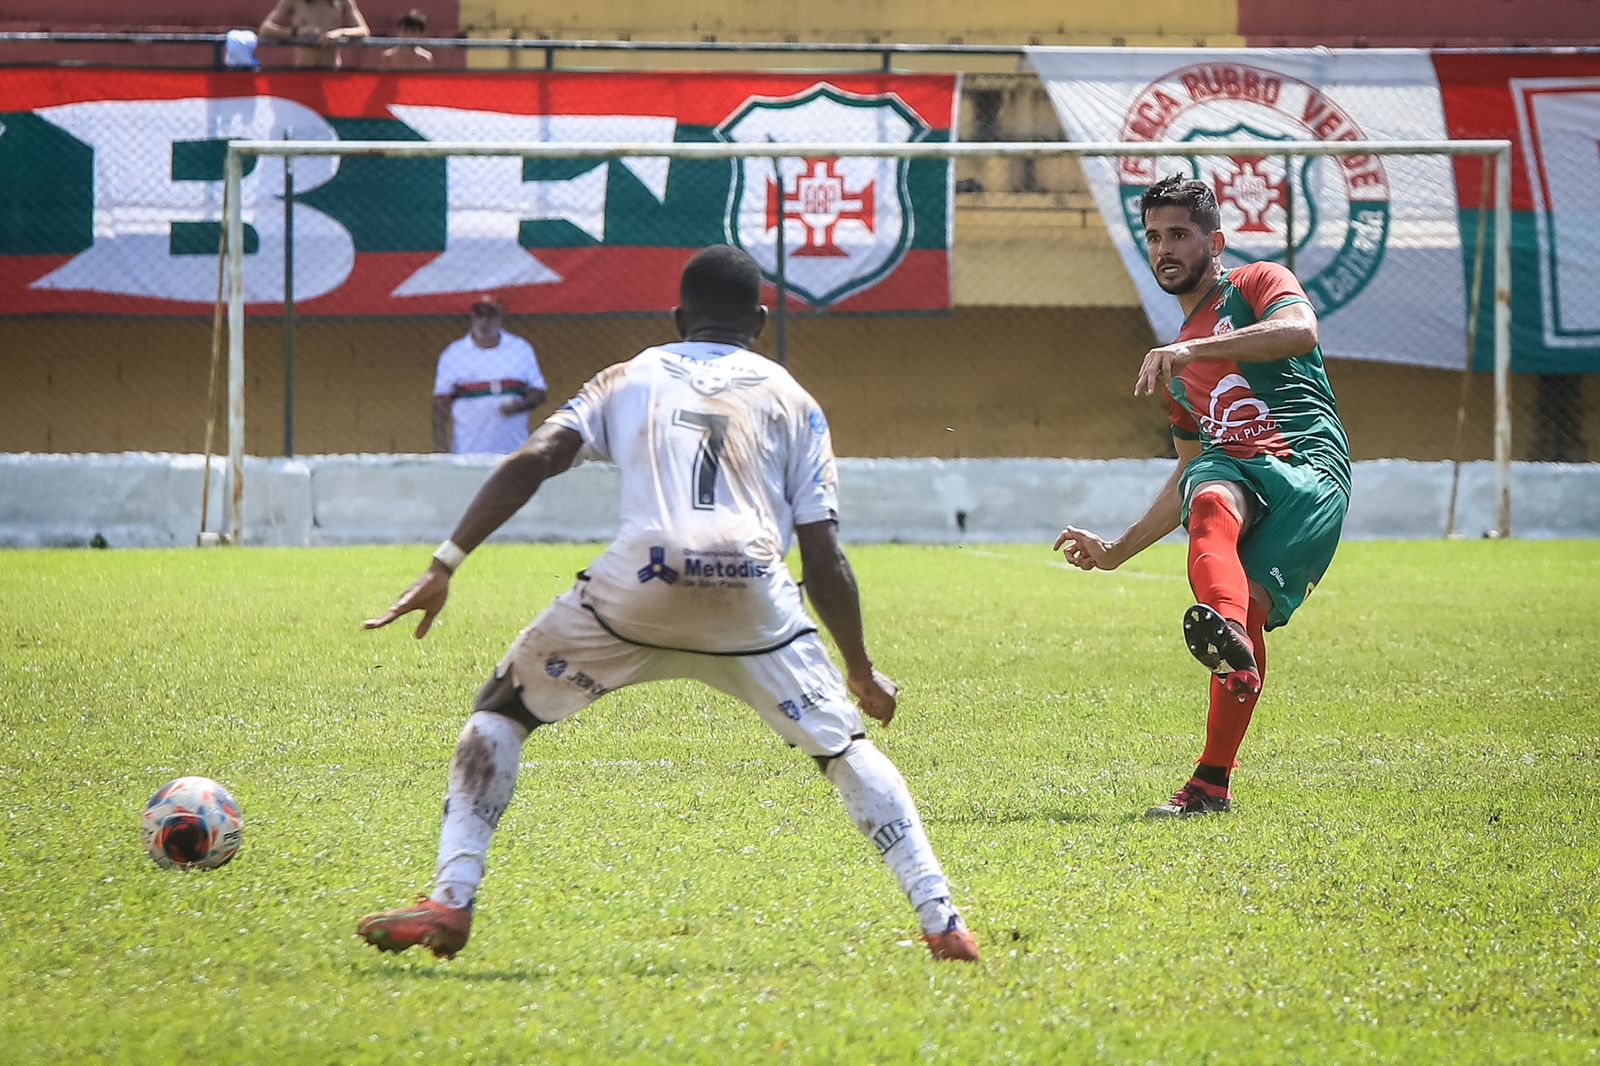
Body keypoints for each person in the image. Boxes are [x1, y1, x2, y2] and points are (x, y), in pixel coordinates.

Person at [356, 245, 979, 963]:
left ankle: (452, 898)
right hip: (752, 596)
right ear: (762, 320)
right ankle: (942, 919)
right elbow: (823, 554)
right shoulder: (793, 399)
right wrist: (861, 670)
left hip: (639, 585)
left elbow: (536, 457)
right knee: (843, 749)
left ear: (678, 317)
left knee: (501, 709)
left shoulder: (629, 375)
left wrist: (446, 563)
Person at [1053, 175, 1350, 818]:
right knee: (1208, 495)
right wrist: (1116, 550)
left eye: (1179, 235)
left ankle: (1232, 655)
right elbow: (1185, 477)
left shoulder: (1255, 283)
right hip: (1232, 472)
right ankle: (1211, 781)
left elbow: (1301, 331)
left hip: (1310, 474)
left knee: (1232, 554)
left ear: (1214, 241)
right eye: (1154, 236)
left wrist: (1192, 348)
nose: (1164, 248)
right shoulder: (1176, 365)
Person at [432, 295, 547, 455]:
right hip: (468, 452)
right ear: (472, 317)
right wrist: (440, 447)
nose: (485, 321)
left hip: (514, 451)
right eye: (480, 314)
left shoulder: (520, 349)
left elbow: (539, 393)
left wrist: (519, 406)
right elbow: (440, 403)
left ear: (500, 316)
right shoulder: (454, 354)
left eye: (490, 315)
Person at [258, 0, 370, 69]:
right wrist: (296, 32)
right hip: (304, 71)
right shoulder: (294, 1)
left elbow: (363, 30)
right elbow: (265, 28)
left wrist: (340, 33)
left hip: (331, 69)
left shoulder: (344, 1)